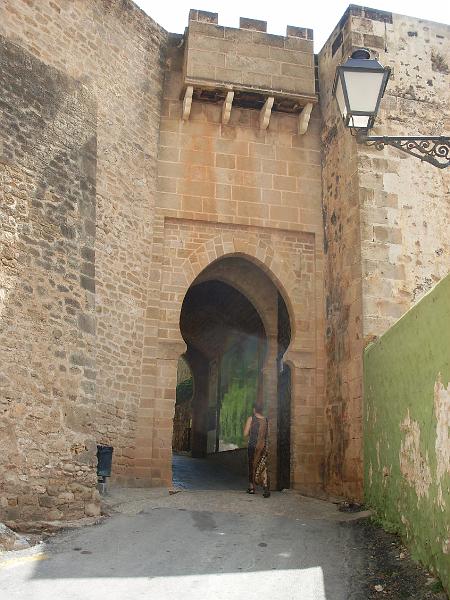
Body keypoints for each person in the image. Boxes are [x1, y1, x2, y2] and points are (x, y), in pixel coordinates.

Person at [243, 388, 270, 498]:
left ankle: (252, 488)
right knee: (263, 466)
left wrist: (250, 433)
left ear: (254, 409)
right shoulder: (266, 420)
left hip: (253, 446)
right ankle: (265, 486)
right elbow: (268, 434)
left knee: (252, 465)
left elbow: (245, 433)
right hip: (263, 446)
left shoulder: (251, 419)